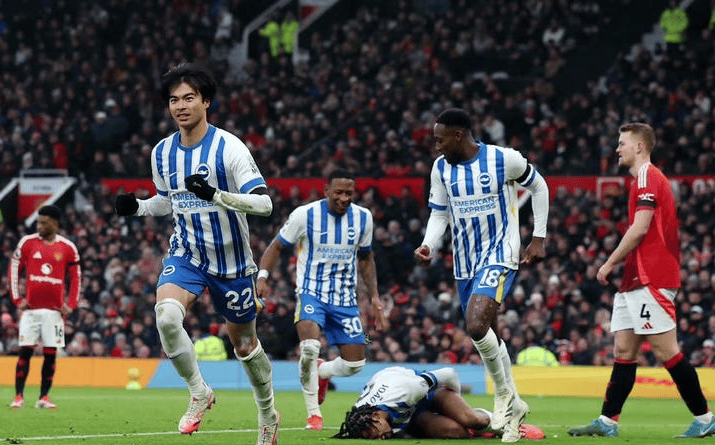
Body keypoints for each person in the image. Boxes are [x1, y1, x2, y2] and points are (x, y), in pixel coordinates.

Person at [114, 63, 279, 444]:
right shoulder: (162, 152)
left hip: (232, 263)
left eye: (189, 98)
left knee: (245, 346)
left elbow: (265, 205)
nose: (181, 106)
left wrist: (216, 195)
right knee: (166, 316)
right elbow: (167, 201)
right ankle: (199, 392)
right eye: (174, 100)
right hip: (187, 254)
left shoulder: (229, 147)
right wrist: (138, 207)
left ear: (206, 101)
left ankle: (268, 414)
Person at [568, 123, 715, 439]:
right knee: (623, 349)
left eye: (622, 143)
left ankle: (705, 417)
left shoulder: (648, 176)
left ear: (639, 146)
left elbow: (639, 228)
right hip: (634, 278)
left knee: (665, 350)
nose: (617, 149)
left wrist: (608, 263)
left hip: (652, 277)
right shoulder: (640, 180)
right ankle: (607, 421)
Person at [413, 108, 549, 443]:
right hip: (465, 263)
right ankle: (515, 407)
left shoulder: (504, 159)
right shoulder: (441, 168)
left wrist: (539, 237)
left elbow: (539, 186)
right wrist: (429, 244)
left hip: (500, 254)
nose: (437, 145)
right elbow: (439, 214)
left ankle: (502, 397)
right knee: (489, 335)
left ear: (458, 135)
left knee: (475, 325)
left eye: (440, 139)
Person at [256, 169, 388, 432]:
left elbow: (365, 258)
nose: (344, 198)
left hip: (345, 299)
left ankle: (323, 371)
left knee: (354, 365)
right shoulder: (305, 215)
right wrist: (263, 276)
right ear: (326, 190)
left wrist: (374, 296)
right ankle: (313, 414)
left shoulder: (364, 217)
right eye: (338, 192)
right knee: (309, 347)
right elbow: (277, 246)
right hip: (311, 293)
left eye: (349, 193)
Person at [334, 366, 545, 440]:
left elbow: (448, 373)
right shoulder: (359, 419)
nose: (379, 438)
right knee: (456, 432)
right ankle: (482, 432)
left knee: (470, 419)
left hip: (429, 393)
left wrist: (456, 401)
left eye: (375, 433)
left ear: (375, 416)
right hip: (412, 414)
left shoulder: (406, 390)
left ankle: (509, 424)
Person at [8, 204, 81, 409]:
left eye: (44, 223)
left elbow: (76, 278)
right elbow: (14, 269)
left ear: (55, 223)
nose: (39, 226)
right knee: (25, 353)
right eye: (38, 222)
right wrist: (17, 299)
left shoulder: (68, 248)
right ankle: (18, 396)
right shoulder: (28, 243)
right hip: (30, 311)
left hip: (54, 313)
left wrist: (72, 304)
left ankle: (43, 397)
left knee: (50, 355)